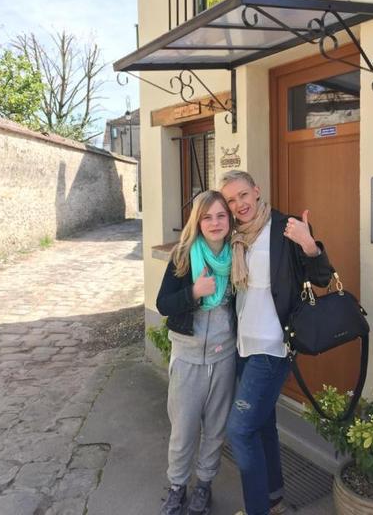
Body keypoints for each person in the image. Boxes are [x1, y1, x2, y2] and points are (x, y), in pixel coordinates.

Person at [219, 170, 333, 515]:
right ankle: (274, 499)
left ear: (256, 191)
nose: (239, 204)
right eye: (231, 200)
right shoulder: (234, 236)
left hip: (272, 347)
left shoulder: (286, 228)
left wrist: (309, 243)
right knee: (262, 423)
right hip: (243, 346)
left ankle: (258, 510)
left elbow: (322, 278)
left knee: (239, 431)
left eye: (243, 195)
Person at [156, 190, 236, 515]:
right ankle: (177, 487)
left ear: (229, 221)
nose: (215, 223)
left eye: (221, 216)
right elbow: (163, 304)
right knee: (184, 428)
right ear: (198, 222)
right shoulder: (184, 256)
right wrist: (193, 292)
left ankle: (203, 486)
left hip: (224, 356)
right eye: (208, 217)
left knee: (215, 429)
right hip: (188, 356)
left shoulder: (238, 256)